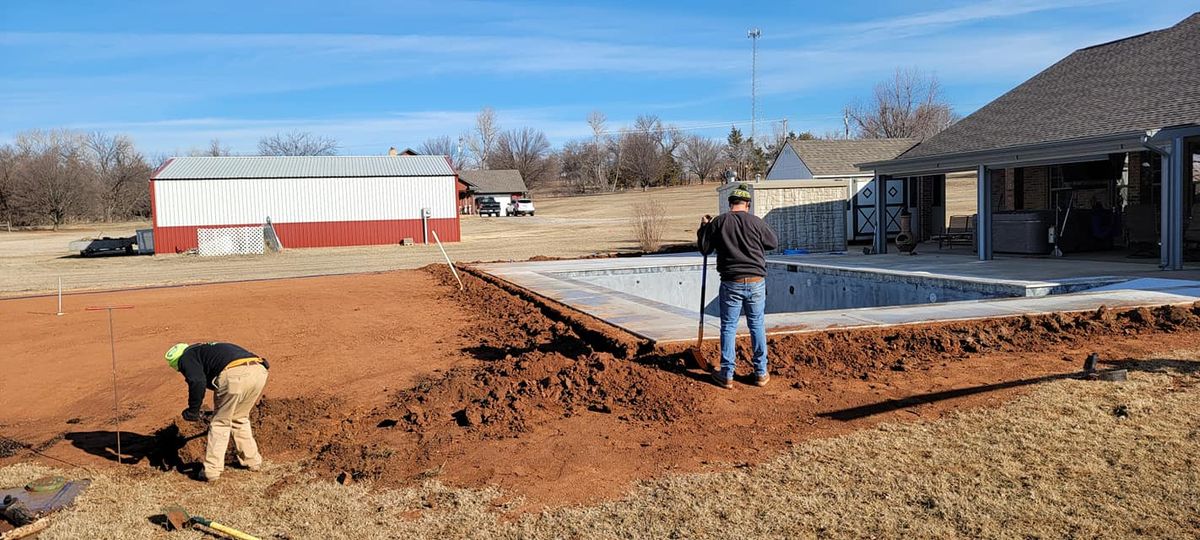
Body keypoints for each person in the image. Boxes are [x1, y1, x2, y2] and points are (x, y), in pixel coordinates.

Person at [697, 184, 779, 389]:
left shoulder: (720, 222)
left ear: (730, 203)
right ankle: (761, 373)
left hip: (731, 282)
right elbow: (773, 243)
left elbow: (705, 249)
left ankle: (727, 374)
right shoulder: (756, 222)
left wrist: (704, 229)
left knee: (729, 326)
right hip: (756, 281)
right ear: (747, 205)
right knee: (757, 325)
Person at [165, 342, 270, 482]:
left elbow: (197, 381)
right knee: (240, 418)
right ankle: (252, 461)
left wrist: (193, 411)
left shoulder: (186, 357)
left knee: (220, 423)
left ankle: (211, 471)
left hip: (234, 375)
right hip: (259, 371)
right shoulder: (205, 350)